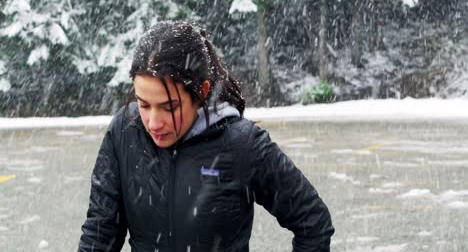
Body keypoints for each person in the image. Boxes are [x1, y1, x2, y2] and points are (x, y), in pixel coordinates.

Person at [78, 21, 334, 252]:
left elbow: (312, 222)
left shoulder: (241, 145)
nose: (153, 122)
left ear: (202, 92)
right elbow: (100, 234)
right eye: (144, 105)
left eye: (169, 107)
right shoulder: (125, 132)